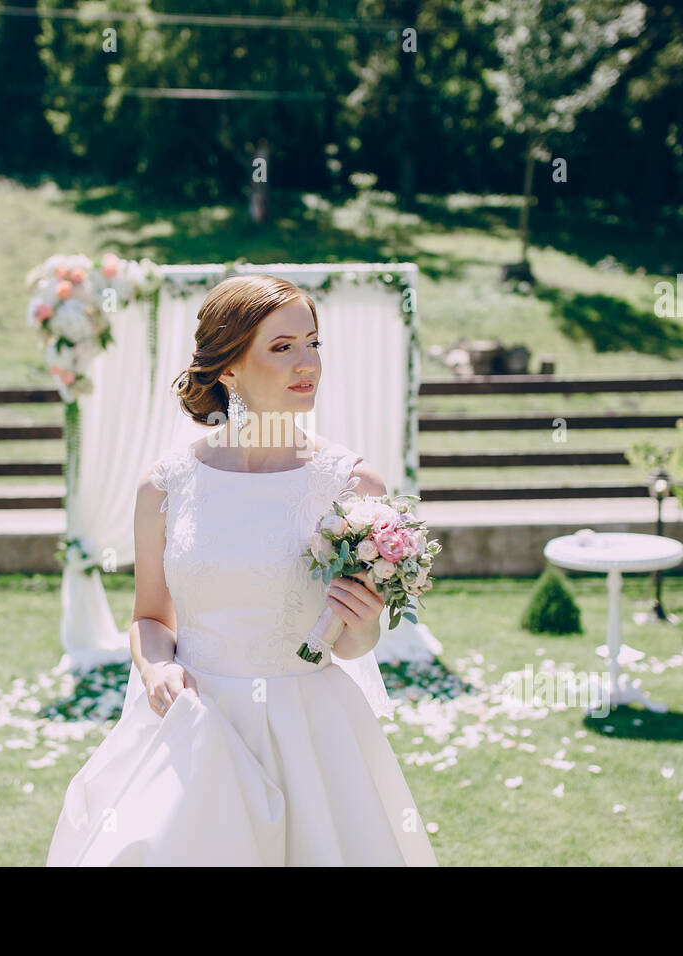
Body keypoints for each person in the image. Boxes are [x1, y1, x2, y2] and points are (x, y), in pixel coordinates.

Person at [45, 274, 439, 866]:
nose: (308, 363)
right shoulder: (165, 484)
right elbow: (151, 617)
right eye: (282, 348)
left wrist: (363, 627)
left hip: (309, 730)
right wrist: (156, 670)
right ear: (228, 367)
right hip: (194, 725)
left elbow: (357, 644)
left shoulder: (353, 485)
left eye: (313, 343)